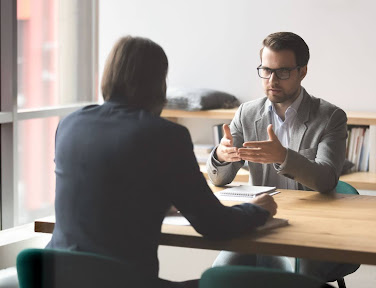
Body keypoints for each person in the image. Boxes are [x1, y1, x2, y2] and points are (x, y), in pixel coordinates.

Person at [46, 36, 278, 288]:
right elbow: (214, 225)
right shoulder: (165, 135)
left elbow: (101, 187)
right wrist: (258, 210)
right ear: (158, 83)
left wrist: (154, 202)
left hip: (55, 276)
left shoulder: (70, 123)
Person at [207, 32, 359, 283]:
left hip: (314, 227)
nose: (272, 80)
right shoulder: (247, 112)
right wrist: (222, 156)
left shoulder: (330, 117)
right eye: (266, 70)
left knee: (288, 275)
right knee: (220, 275)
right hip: (262, 222)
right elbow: (220, 180)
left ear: (302, 72)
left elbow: (326, 179)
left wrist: (284, 156)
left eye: (283, 72)